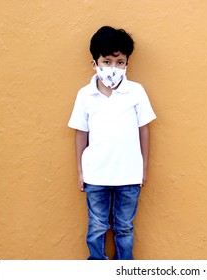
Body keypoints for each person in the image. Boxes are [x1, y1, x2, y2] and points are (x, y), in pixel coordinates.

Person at [68, 26, 156, 260]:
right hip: (96, 176)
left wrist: (144, 167)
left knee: (124, 228)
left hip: (128, 175)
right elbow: (80, 133)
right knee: (96, 227)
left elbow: (144, 129)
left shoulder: (136, 92)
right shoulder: (85, 95)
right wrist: (80, 170)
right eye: (106, 61)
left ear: (127, 63)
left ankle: (124, 268)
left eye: (119, 62)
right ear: (94, 63)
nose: (113, 68)